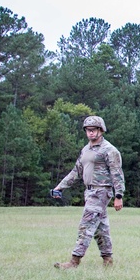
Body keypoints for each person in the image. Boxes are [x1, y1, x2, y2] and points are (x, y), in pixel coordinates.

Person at [52, 115, 125, 268]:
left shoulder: (109, 150)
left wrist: (119, 195)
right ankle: (108, 260)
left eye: (94, 130)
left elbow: (117, 173)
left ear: (101, 130)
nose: (91, 133)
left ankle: (74, 261)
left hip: (101, 192)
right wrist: (60, 187)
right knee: (100, 228)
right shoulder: (86, 150)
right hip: (89, 192)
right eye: (88, 130)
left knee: (86, 225)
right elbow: (76, 172)